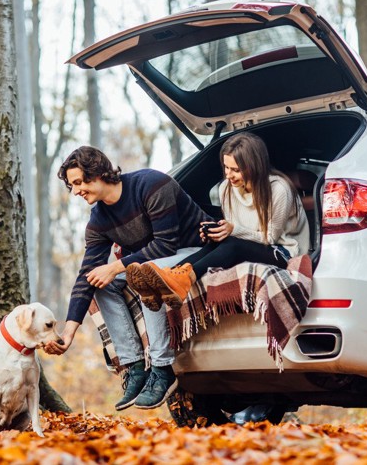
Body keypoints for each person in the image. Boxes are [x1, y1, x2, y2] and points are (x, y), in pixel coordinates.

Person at [125, 132, 309, 424]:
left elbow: (270, 236)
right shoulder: (225, 189)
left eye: (236, 169)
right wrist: (215, 230)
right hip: (244, 245)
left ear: (255, 165)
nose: (230, 175)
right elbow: (231, 231)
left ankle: (180, 278)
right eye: (226, 168)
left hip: (281, 252)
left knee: (231, 243)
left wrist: (231, 230)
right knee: (213, 242)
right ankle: (171, 277)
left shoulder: (279, 188)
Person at [44, 146, 211, 411]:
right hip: (154, 261)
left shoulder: (152, 184)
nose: (75, 191)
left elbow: (166, 245)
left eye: (78, 182)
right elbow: (86, 276)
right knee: (100, 283)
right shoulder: (99, 218)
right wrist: (68, 332)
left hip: (195, 250)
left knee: (140, 274)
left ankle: (162, 368)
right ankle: (135, 366)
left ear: (97, 172)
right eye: (72, 186)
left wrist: (115, 267)